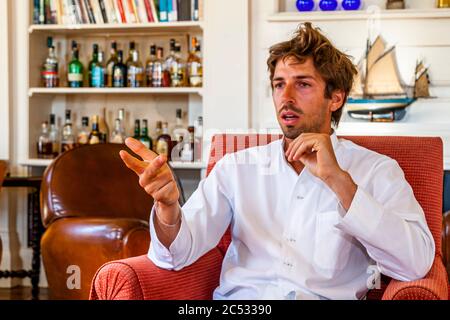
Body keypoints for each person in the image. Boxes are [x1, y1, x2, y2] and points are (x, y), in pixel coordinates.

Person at [119, 23, 434, 300]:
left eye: (303, 83)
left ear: (336, 97)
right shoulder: (236, 168)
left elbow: (415, 263)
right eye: (279, 84)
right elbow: (176, 255)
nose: (287, 97)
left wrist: (340, 182)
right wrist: (168, 208)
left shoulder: (377, 170)